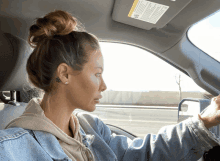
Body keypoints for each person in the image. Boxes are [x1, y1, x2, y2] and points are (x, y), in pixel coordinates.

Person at [0, 10, 220, 161]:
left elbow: (140, 154)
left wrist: (203, 122)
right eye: (97, 74)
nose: (104, 85)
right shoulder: (12, 149)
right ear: (65, 74)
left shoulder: (90, 128)